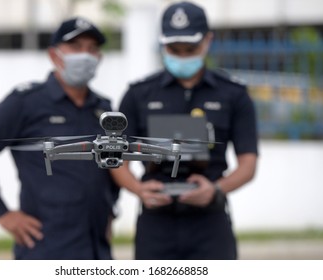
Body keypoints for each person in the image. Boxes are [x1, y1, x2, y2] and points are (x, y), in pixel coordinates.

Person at [110, 1, 258, 260]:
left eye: (190, 49)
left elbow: (248, 163)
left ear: (207, 41)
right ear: (162, 44)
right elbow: (116, 158)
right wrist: (138, 188)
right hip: (156, 222)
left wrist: (216, 190)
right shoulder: (139, 95)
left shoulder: (233, 94)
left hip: (210, 221)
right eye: (173, 49)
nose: (181, 55)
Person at [0, 17, 118, 260]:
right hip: (46, 248)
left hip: (96, 250)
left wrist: (111, 210)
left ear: (99, 58)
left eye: (91, 49)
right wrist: (2, 213)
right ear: (54, 55)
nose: (85, 55)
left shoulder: (103, 109)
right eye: (76, 47)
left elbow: (113, 167)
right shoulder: (27, 101)